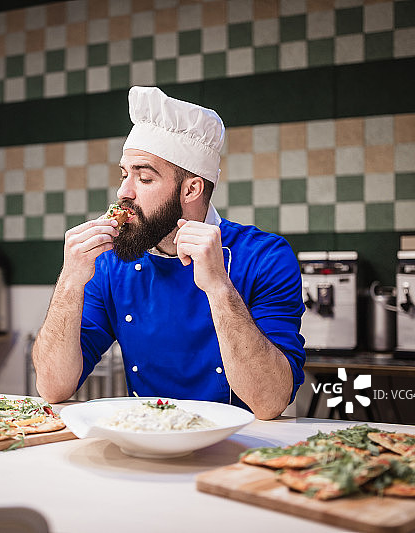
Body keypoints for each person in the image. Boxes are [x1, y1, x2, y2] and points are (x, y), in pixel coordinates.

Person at [32, 86, 305, 420]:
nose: (123, 192)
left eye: (144, 178)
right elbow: (52, 387)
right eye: (124, 174)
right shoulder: (110, 263)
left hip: (241, 445)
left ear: (191, 189)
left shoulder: (265, 257)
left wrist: (219, 288)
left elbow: (271, 401)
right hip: (144, 440)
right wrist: (70, 281)